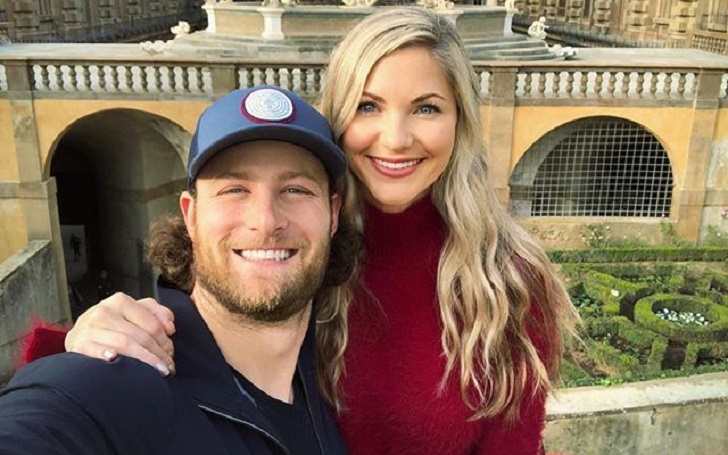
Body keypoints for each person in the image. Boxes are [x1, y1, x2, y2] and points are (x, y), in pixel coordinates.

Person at [21, 7, 580, 455]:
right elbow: (187, 336)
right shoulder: (295, 246)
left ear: (460, 122)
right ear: (338, 117)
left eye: (427, 108)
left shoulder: (504, 281)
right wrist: (84, 337)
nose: (396, 137)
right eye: (368, 105)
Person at [0, 86, 352, 455]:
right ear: (191, 215)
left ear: (332, 215)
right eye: (234, 189)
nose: (266, 221)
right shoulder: (115, 383)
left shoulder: (337, 377)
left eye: (296, 190)